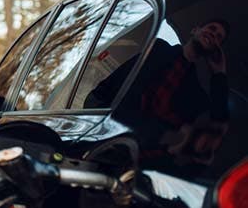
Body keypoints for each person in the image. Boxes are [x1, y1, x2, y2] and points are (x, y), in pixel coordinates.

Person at [86, 18, 230, 168]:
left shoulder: (196, 94)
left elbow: (217, 124)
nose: (214, 35)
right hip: (104, 135)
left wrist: (219, 74)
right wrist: (95, 113)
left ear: (215, 50)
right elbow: (115, 82)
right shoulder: (158, 48)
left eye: (219, 37)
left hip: (138, 160)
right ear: (195, 30)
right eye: (212, 28)